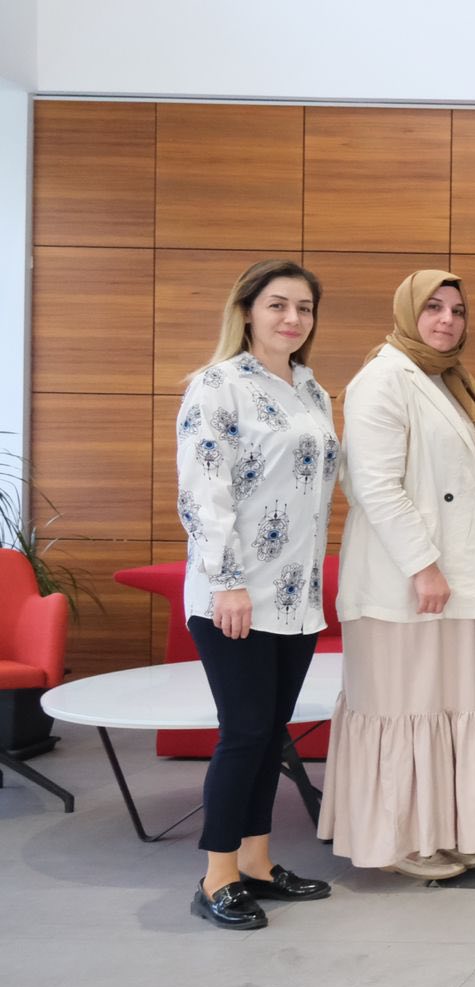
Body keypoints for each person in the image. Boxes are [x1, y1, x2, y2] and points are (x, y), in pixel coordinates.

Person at [322, 270, 475, 879]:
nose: (447, 320)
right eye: (433, 308)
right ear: (408, 312)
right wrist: (424, 566)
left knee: (454, 704)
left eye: (458, 310)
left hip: (460, 584)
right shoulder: (382, 379)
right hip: (406, 585)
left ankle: (451, 825)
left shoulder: (453, 384)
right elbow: (376, 488)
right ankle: (401, 839)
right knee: (405, 707)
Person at [174, 258, 339, 929]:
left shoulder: (312, 390)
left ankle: (259, 864)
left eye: (302, 308)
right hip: (234, 595)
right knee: (243, 733)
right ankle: (216, 877)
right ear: (247, 311)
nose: (291, 319)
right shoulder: (216, 386)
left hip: (298, 598)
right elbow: (201, 494)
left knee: (270, 734)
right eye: (277, 305)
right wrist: (229, 583)